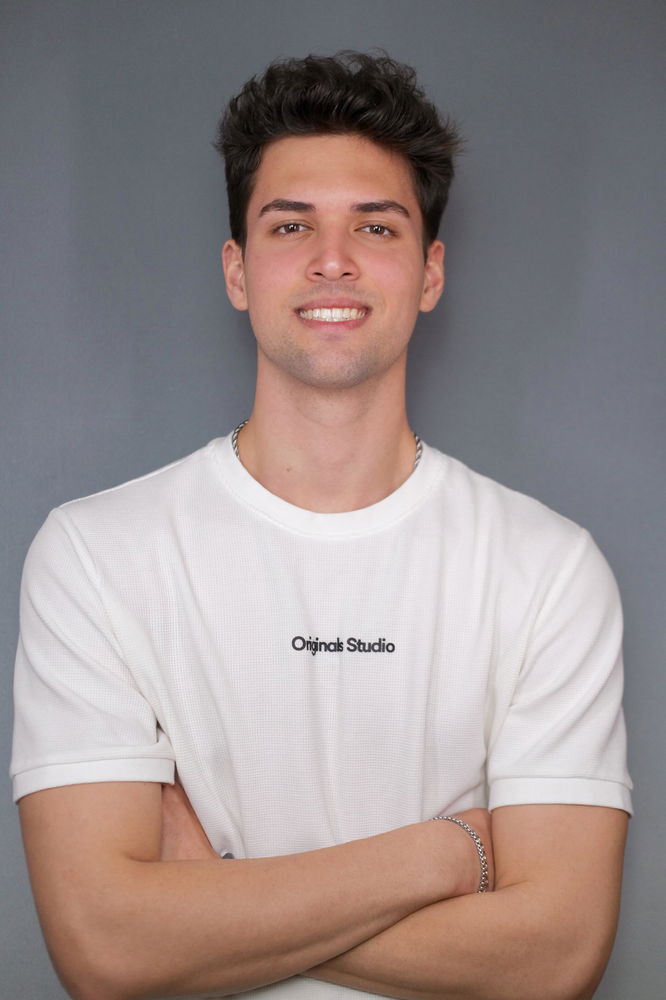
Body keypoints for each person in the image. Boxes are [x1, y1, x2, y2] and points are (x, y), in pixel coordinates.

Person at [11, 52, 632, 1000]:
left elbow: (555, 960)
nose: (331, 258)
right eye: (290, 224)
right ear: (237, 270)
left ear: (430, 273)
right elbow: (103, 950)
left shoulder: (547, 568)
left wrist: (210, 898)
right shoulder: (96, 554)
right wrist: (446, 852)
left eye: (375, 226)